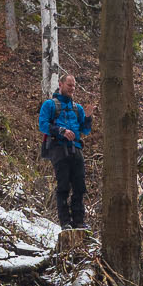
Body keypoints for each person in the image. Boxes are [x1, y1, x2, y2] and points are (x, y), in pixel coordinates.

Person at [37, 73, 91, 229]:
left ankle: (79, 221)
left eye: (74, 85)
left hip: (76, 148)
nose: (72, 88)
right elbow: (42, 125)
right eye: (69, 85)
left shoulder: (77, 108)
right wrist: (61, 131)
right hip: (58, 148)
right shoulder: (49, 105)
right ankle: (65, 222)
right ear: (60, 85)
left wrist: (87, 117)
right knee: (63, 186)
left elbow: (85, 130)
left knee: (80, 186)